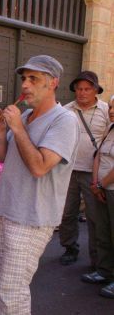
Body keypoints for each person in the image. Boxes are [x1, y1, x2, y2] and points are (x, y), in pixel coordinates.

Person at [0, 55, 79, 314]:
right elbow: (5, 157)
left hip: (31, 218)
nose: (25, 85)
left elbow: (39, 167)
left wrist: (17, 128)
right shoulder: (26, 115)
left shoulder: (64, 121)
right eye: (24, 79)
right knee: (3, 279)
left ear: (52, 83)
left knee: (12, 288)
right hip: (6, 209)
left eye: (33, 79)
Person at [59, 71, 109, 267]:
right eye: (79, 89)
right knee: (67, 213)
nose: (82, 92)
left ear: (95, 90)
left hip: (94, 173)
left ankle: (97, 259)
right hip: (67, 170)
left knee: (95, 217)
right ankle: (69, 247)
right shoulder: (65, 110)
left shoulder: (106, 110)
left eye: (87, 89)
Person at [84, 95, 114, 299]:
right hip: (102, 188)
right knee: (103, 231)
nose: (111, 111)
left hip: (110, 188)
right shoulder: (110, 128)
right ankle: (104, 271)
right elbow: (99, 156)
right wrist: (95, 184)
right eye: (111, 106)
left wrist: (101, 184)